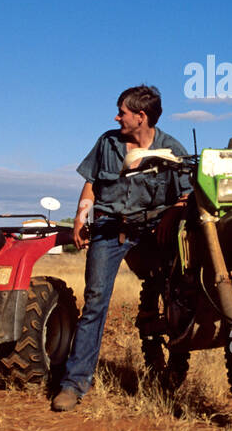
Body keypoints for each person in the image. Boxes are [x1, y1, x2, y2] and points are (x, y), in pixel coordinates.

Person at [51, 85, 192, 411]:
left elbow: (185, 195)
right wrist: (80, 217)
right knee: (96, 300)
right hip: (111, 229)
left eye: (122, 112)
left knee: (179, 293)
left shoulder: (171, 149)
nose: (117, 117)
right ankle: (74, 383)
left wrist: (173, 215)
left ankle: (173, 366)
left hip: (154, 230)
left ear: (141, 117)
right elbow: (91, 183)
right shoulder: (108, 142)